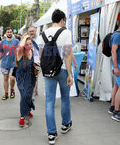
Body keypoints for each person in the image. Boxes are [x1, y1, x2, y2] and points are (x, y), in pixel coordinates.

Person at [38, 9, 74, 145]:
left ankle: (51, 134)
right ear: (62, 20)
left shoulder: (43, 34)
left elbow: (40, 55)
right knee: (65, 98)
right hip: (63, 69)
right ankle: (65, 124)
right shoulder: (66, 33)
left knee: (49, 101)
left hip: (48, 71)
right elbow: (67, 54)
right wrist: (70, 74)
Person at [16, 34, 36, 126]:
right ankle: (22, 116)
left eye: (30, 44)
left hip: (31, 76)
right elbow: (20, 46)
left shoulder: (32, 51)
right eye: (27, 44)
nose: (29, 46)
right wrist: (24, 37)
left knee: (28, 94)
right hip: (22, 77)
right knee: (23, 95)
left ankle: (27, 110)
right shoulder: (19, 52)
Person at [0, 27, 19, 100]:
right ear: (6, 33)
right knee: (5, 78)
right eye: (8, 32)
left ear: (12, 33)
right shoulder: (2, 42)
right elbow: (0, 53)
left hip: (14, 63)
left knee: (12, 78)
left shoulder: (16, 41)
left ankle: (12, 90)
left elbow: (19, 51)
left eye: (10, 32)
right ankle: (6, 93)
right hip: (4, 63)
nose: (9, 33)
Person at [28, 26, 40, 98]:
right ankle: (35, 91)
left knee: (35, 76)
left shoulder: (40, 39)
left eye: (33, 31)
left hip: (37, 61)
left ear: (36, 31)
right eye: (30, 31)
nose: (31, 32)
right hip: (29, 60)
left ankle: (33, 92)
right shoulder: (27, 39)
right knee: (33, 76)